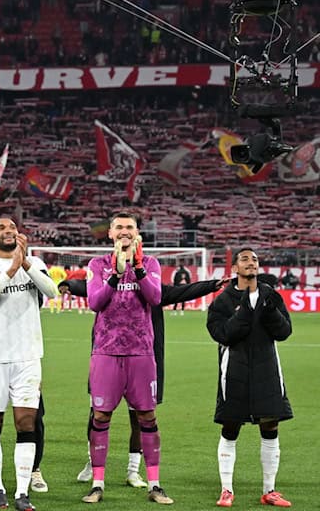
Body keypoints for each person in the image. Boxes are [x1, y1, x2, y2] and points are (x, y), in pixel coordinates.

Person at [63, 274, 228, 486]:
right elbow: (91, 288)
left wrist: (213, 285)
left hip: (143, 359)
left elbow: (182, 291)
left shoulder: (152, 290)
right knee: (98, 413)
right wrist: (71, 285)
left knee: (140, 416)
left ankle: (133, 470)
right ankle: (91, 462)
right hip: (107, 356)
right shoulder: (111, 281)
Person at [82, 212, 172, 505]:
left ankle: (155, 485)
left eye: (129, 227)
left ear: (137, 233)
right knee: (100, 416)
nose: (124, 232)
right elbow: (95, 302)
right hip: (106, 352)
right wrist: (116, 274)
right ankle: (97, 484)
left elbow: (155, 297)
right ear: (110, 233)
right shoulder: (97, 265)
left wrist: (135, 267)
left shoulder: (150, 264)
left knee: (147, 416)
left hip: (141, 352)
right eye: (119, 227)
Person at [0, 218, 57, 511]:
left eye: (12, 228)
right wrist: (11, 269)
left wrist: (26, 265)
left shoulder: (35, 262)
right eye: (1, 228)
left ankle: (21, 492)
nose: (8, 231)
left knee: (26, 423)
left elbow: (52, 291)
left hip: (28, 357)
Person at [207, 247, 293, 508]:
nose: (250, 262)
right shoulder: (222, 301)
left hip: (267, 370)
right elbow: (223, 335)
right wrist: (245, 310)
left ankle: (270, 491)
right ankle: (226, 490)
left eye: (254, 259)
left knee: (270, 428)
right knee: (230, 428)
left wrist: (269, 312)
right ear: (234, 268)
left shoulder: (270, 296)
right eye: (244, 259)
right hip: (235, 371)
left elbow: (284, 332)